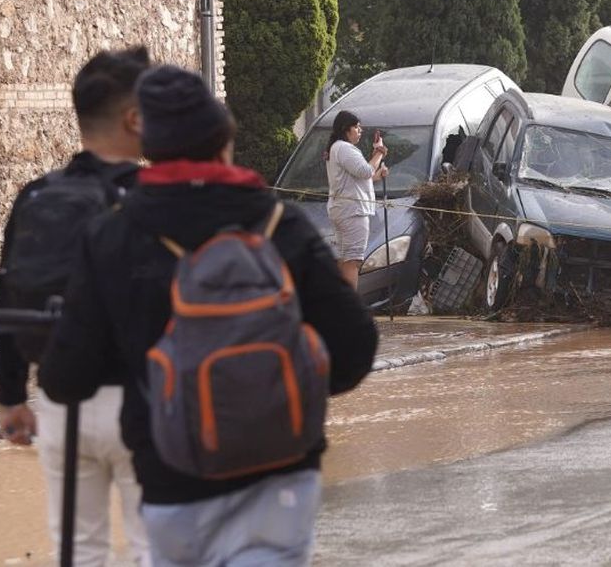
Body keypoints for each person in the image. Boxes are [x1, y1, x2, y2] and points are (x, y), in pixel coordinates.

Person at [41, 65, 378, 566]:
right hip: (281, 474)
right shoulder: (279, 225)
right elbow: (354, 349)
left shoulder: (112, 235)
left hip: (173, 479)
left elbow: (67, 378)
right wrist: (272, 387)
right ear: (225, 140)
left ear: (148, 148)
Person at [0, 46, 152, 567]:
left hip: (61, 401)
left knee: (78, 552)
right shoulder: (155, 198)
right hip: (145, 400)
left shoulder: (37, 194)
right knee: (157, 550)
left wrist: (11, 394)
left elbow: (7, 292)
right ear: (134, 118)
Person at [325, 110, 388, 287]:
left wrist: (378, 175)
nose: (360, 131)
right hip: (352, 211)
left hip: (343, 209)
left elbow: (361, 177)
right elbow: (365, 171)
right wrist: (379, 153)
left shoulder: (337, 148)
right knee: (352, 261)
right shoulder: (344, 148)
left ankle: (341, 305)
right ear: (346, 128)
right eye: (356, 127)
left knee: (344, 259)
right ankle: (348, 308)